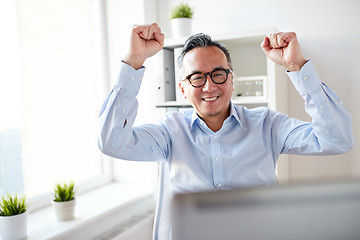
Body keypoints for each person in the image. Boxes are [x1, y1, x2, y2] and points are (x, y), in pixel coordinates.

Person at [98, 23, 354, 240]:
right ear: (183, 88)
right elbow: (111, 142)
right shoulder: (168, 131)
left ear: (232, 80)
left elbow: (338, 140)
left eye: (218, 74)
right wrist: (133, 62)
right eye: (197, 77)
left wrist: (297, 66)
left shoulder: (267, 125)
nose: (209, 86)